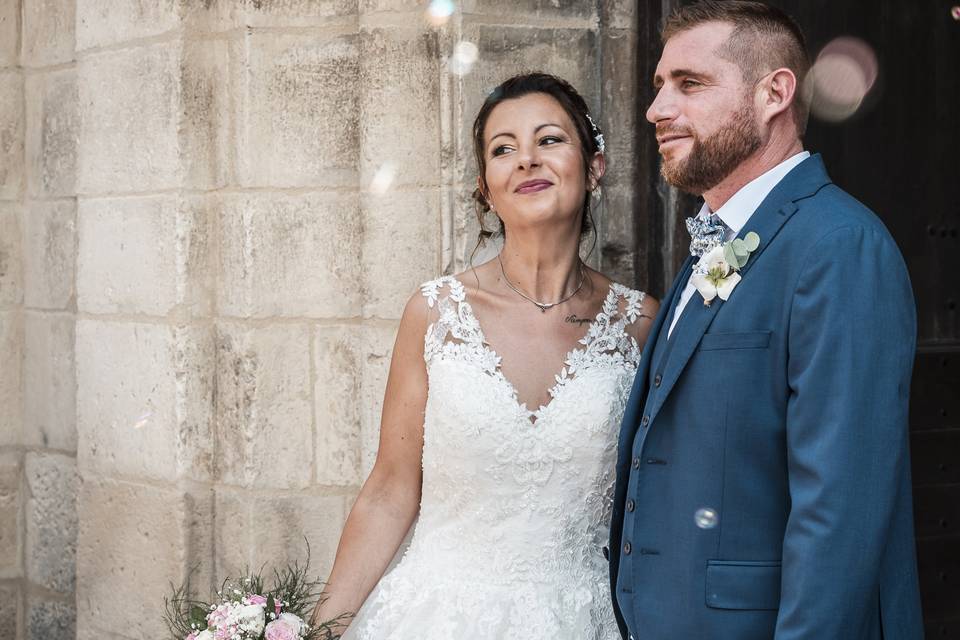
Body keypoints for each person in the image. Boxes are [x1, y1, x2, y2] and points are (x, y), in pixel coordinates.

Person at [610, 2, 923, 638]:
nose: (656, 110)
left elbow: (840, 509)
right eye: (658, 87)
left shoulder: (839, 246)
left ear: (774, 92)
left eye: (689, 84)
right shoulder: (718, 242)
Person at [311, 73, 658, 639]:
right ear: (486, 187)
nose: (526, 160)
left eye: (549, 140)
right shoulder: (434, 313)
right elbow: (390, 490)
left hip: (580, 618)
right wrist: (321, 630)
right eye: (504, 149)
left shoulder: (642, 324)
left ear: (594, 167)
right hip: (434, 617)